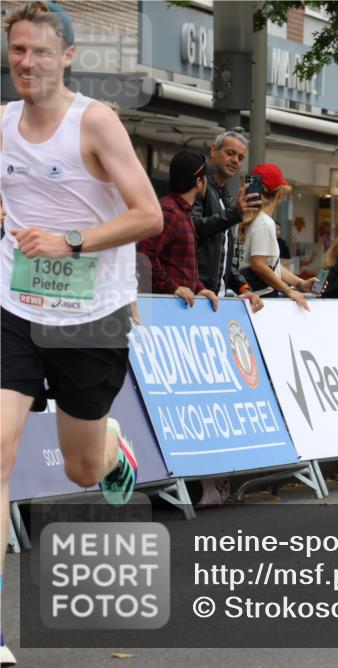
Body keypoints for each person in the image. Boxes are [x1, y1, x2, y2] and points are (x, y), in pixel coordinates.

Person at [1, 4, 164, 663]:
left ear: (67, 55)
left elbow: (148, 214)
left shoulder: (94, 122)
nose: (27, 63)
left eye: (40, 51)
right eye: (17, 50)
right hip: (14, 306)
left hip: (89, 317)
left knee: (80, 464)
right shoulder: (2, 125)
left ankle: (112, 450)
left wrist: (70, 242)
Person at [138, 151, 219, 311]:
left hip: (174, 310)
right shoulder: (170, 212)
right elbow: (143, 257)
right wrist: (172, 287)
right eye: (205, 177)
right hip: (163, 310)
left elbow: (180, 265)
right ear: (199, 182)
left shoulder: (180, 212)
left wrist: (199, 288)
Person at [192, 129, 263, 306]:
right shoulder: (199, 186)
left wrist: (244, 288)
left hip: (216, 300)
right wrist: (234, 214)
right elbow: (194, 229)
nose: (235, 161)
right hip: (197, 296)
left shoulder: (226, 196)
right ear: (214, 151)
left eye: (240, 158)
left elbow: (222, 255)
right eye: (230, 153)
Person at [237, 164, 316, 309]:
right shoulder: (265, 223)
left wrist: (300, 283)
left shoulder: (240, 218)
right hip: (259, 300)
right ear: (280, 193)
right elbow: (258, 265)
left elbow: (271, 266)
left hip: (243, 297)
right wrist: (288, 290)